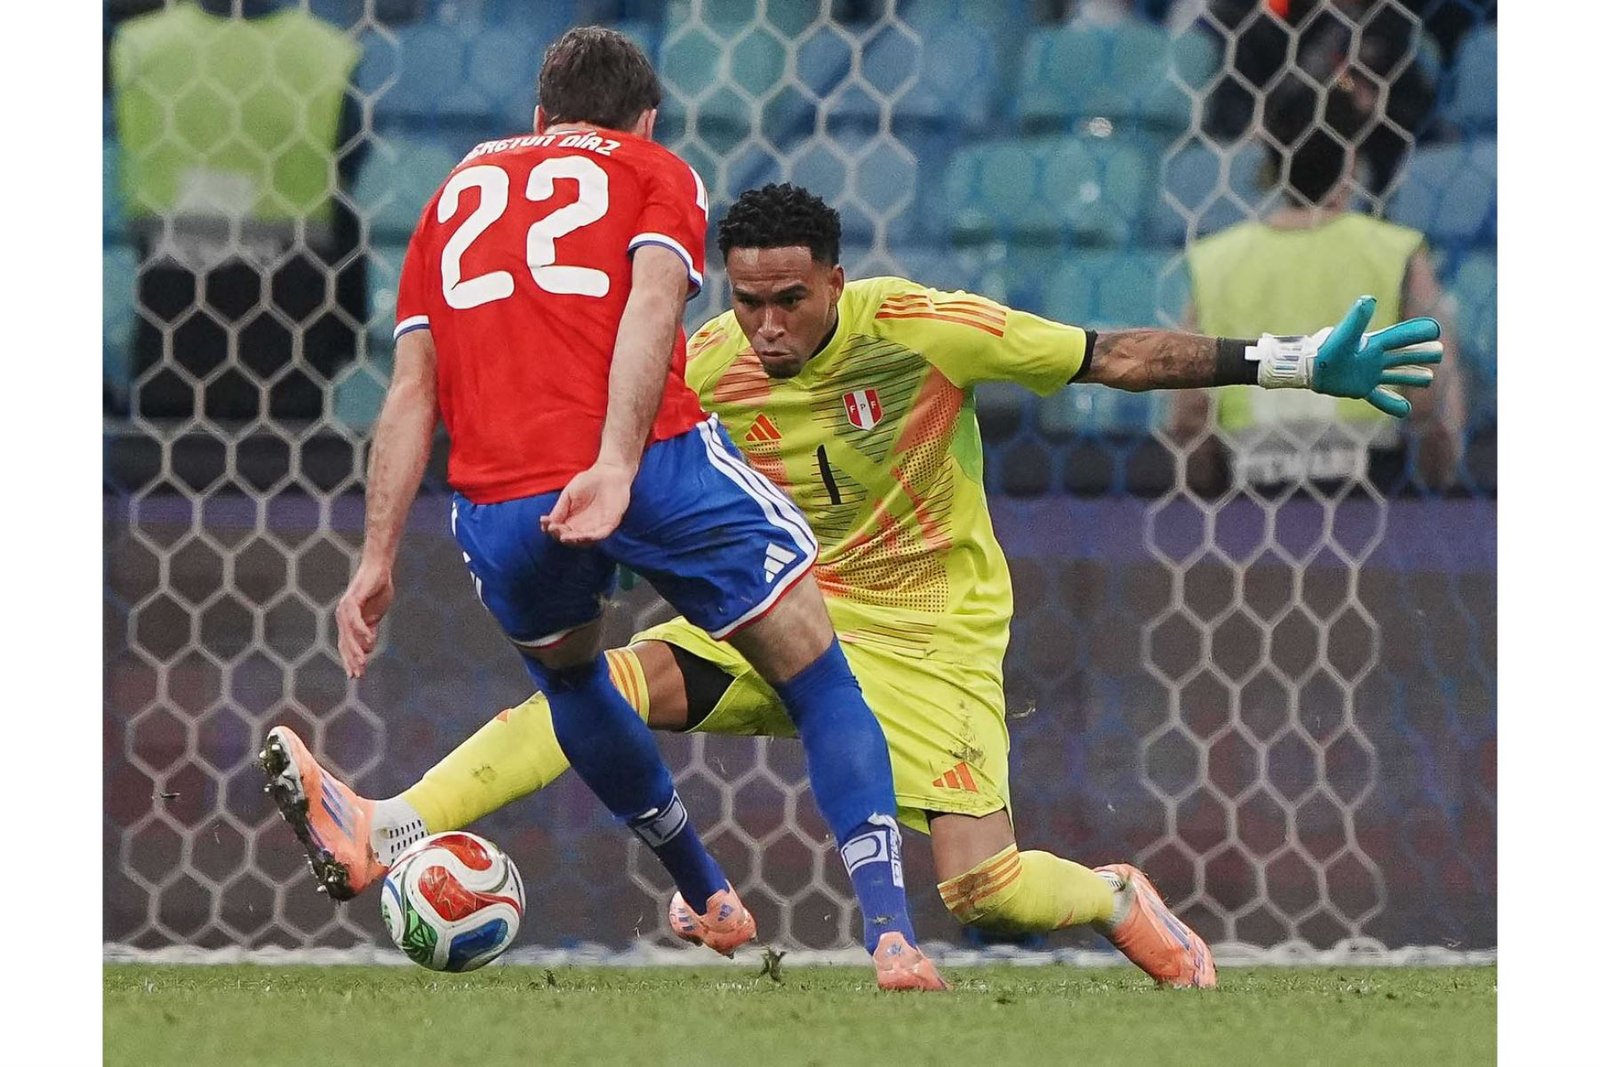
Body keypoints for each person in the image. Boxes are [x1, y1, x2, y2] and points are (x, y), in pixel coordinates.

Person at [267, 181, 1443, 990]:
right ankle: (387, 824)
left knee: (984, 890)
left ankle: (1113, 895)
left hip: (932, 632)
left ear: (836, 278)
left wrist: (1293, 361)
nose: (767, 326)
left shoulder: (921, 328)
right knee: (594, 683)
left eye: (791, 299)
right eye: (747, 301)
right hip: (787, 616)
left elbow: (1109, 356)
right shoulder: (705, 364)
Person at [259, 30, 943, 992]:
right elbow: (653, 305)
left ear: (540, 117)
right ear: (646, 120)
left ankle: (707, 894)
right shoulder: (655, 169)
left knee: (577, 682)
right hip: (654, 462)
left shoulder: (454, 193)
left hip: (501, 497)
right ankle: (892, 937)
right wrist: (619, 464)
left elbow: (410, 389)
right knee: (820, 677)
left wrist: (375, 558)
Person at [1172, 78, 1465, 493]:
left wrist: (1206, 497)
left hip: (1250, 490)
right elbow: (1432, 395)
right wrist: (1437, 484)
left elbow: (1190, 412)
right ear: (1351, 159)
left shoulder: (1216, 260)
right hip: (1369, 491)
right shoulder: (1394, 251)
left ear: (1271, 159)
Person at [107, 0, 367, 419]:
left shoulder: (141, 45)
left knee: (173, 448)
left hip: (172, 317)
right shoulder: (325, 53)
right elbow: (349, 174)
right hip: (289, 332)